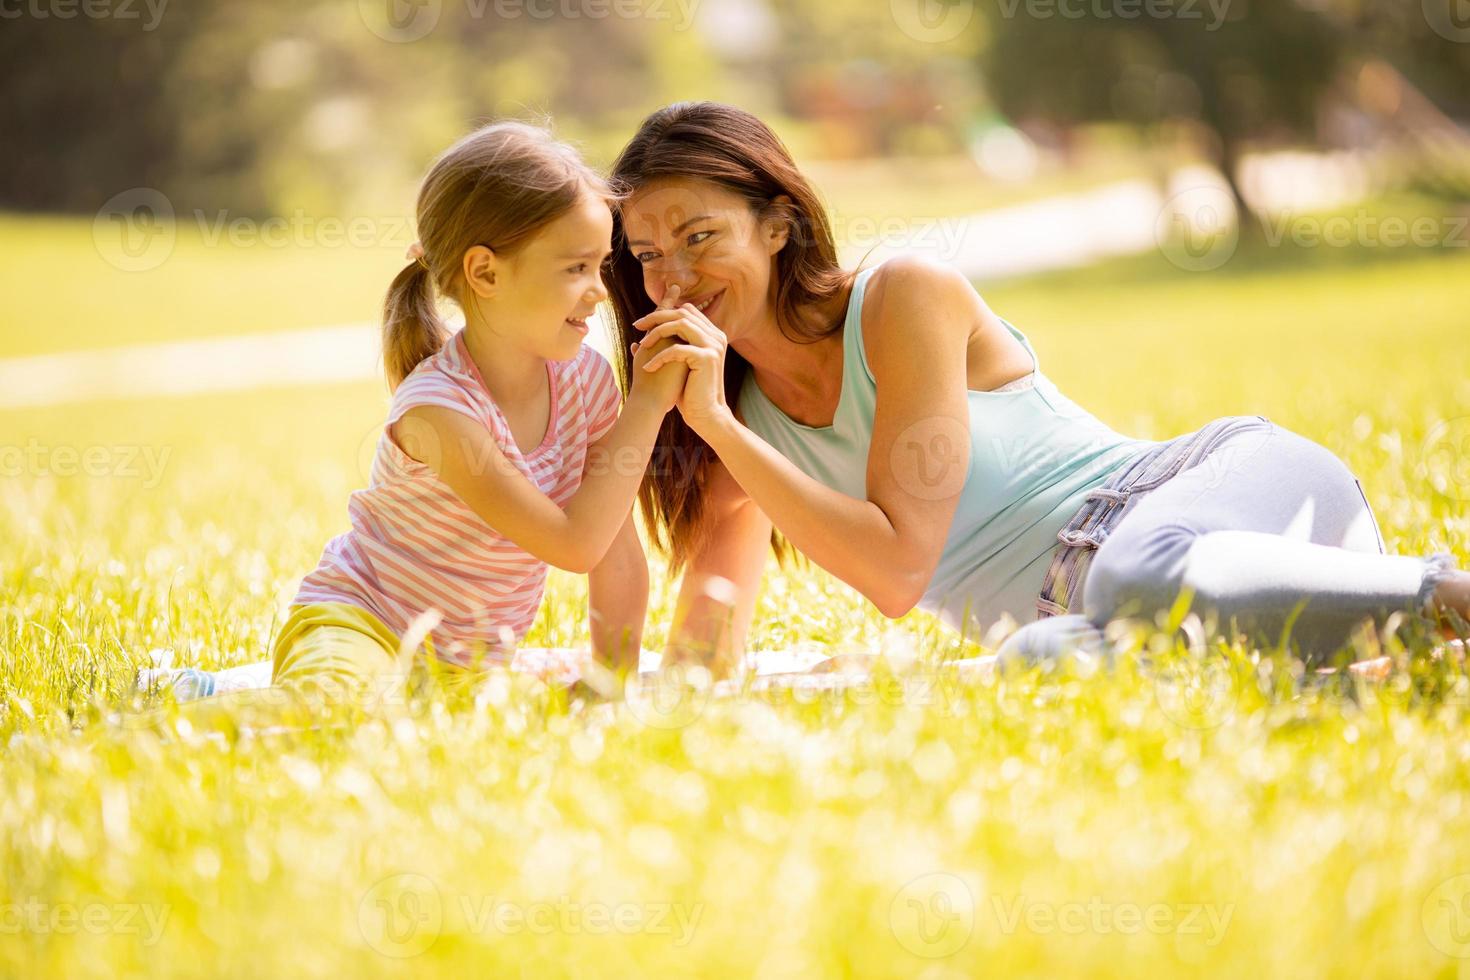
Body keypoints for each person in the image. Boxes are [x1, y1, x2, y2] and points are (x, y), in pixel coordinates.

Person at [603, 101, 1468, 675]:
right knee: (1037, 662)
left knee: (1134, 581)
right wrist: (593, 682)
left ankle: (1444, 599)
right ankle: (1383, 668)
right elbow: (703, 655)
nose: (671, 276)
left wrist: (717, 423)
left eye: (698, 236)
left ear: (778, 224)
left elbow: (899, 570)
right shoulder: (735, 427)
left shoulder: (902, 297)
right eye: (644, 255)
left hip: (1218, 496)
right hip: (1170, 602)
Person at [138, 121, 687, 723]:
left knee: (523, 709)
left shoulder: (585, 381)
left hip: (468, 663)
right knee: (338, 709)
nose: (599, 292)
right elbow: (574, 545)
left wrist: (612, 685)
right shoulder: (439, 409)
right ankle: (143, 730)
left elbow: (616, 553)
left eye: (600, 265)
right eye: (575, 268)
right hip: (365, 623)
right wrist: (648, 406)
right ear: (485, 274)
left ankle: (208, 690)